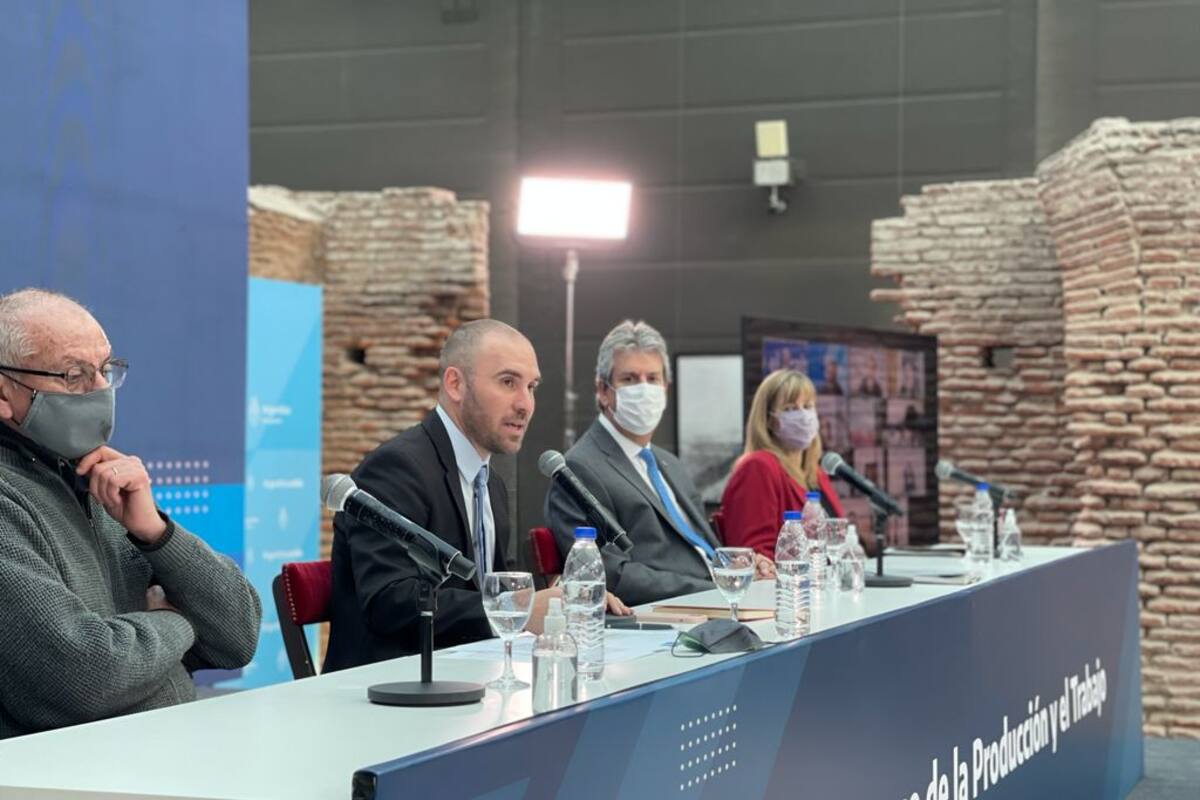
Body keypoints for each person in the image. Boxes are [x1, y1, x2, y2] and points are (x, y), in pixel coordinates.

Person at [0, 289, 261, 739]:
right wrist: (176, 620)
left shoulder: (99, 482)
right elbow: (81, 675)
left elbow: (237, 635)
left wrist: (155, 533)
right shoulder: (9, 500)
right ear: (4, 394)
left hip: (163, 758)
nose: (100, 391)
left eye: (105, 371)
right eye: (73, 375)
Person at [324, 320, 628, 672]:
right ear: (455, 384)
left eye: (531, 387)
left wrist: (559, 602)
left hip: (472, 675)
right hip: (392, 687)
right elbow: (391, 603)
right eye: (508, 382)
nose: (525, 404)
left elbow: (494, 587)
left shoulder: (491, 484)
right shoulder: (396, 468)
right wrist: (523, 607)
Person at [545, 320, 772, 608]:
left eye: (652, 379)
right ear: (602, 390)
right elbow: (611, 575)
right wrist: (714, 588)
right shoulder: (579, 469)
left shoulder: (670, 464)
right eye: (629, 379)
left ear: (666, 388)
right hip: (667, 616)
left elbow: (698, 548)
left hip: (718, 602)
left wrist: (741, 566)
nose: (644, 389)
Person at [720, 369, 874, 559]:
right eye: (790, 409)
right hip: (788, 586)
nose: (803, 415)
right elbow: (756, 556)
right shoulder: (758, 467)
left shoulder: (814, 473)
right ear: (769, 420)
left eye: (808, 406)